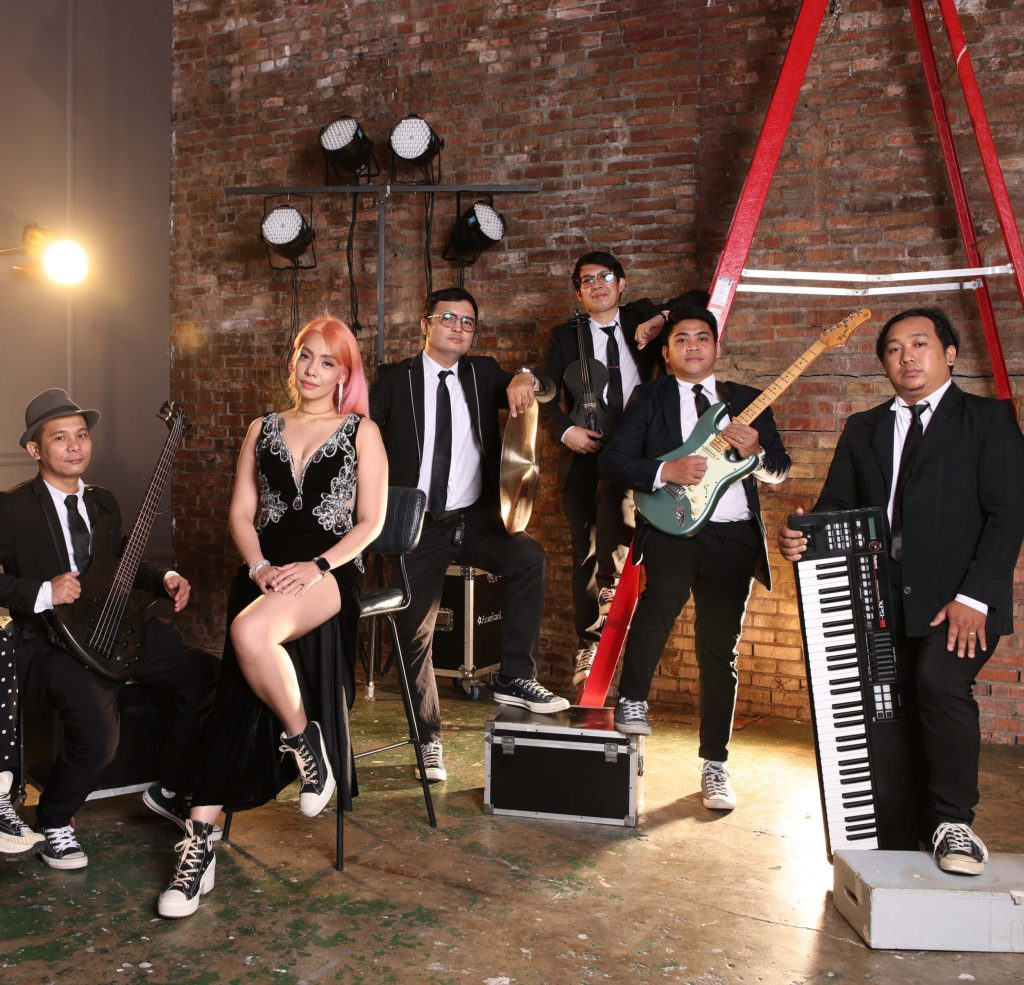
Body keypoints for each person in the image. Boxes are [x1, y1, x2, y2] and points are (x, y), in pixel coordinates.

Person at [778, 307, 1024, 875]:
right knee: (889, 705)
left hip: (957, 601)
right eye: (893, 348)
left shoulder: (988, 420)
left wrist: (976, 598)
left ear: (950, 354)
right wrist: (803, 537)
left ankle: (954, 823)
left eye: (920, 344)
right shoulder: (863, 428)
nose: (906, 356)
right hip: (879, 599)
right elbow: (836, 507)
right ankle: (901, 829)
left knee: (938, 683)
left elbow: (1008, 515)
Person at [157, 317, 387, 918]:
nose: (312, 370)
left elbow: (371, 523)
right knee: (236, 691)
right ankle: (200, 839)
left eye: (327, 362)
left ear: (345, 373)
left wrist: (316, 566)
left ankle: (302, 742)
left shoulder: (361, 431)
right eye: (305, 356)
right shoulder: (262, 427)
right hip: (264, 573)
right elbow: (241, 513)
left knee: (248, 631)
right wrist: (259, 566)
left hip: (329, 573)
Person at [0, 389, 216, 868]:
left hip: (117, 624)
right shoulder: (11, 509)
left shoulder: (102, 501)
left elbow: (117, 560)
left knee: (207, 677)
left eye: (81, 435)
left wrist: (164, 577)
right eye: (60, 437)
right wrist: (43, 590)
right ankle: (55, 818)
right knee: (100, 737)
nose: (75, 445)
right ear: (35, 449)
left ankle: (171, 788)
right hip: (52, 641)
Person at [370, 286, 569, 785]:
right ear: (425, 324)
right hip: (417, 523)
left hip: (474, 517)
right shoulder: (394, 379)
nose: (458, 328)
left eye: (467, 322)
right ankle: (427, 740)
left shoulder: (482, 373)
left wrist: (526, 378)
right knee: (415, 633)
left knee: (528, 558)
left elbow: (545, 389)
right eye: (447, 318)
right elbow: (363, 441)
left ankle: (515, 675)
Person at [599, 306, 791, 810]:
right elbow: (612, 460)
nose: (692, 346)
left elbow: (779, 470)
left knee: (719, 650)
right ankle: (632, 698)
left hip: (734, 537)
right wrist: (666, 472)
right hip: (672, 527)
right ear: (666, 353)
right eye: (681, 339)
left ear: (716, 347)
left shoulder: (747, 401)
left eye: (702, 338)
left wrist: (759, 452)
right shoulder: (650, 397)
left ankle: (715, 764)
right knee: (660, 600)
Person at [541, 250, 700, 685]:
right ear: (578, 292)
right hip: (584, 448)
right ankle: (588, 644)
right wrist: (564, 432)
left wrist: (661, 317)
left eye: (605, 277)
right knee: (585, 550)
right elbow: (543, 392)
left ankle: (613, 586)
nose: (596, 285)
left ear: (622, 283)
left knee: (623, 514)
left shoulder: (641, 318)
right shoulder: (564, 336)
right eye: (586, 280)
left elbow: (701, 301)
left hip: (638, 446)